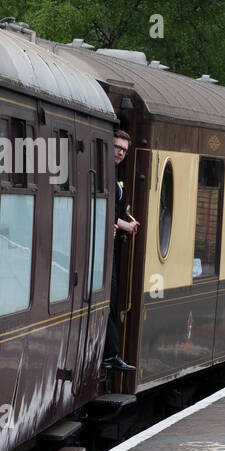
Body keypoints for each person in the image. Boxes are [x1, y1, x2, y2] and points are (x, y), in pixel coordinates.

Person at [104, 130, 138, 372]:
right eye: (117, 147)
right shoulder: (105, 172)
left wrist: (127, 225)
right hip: (102, 248)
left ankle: (111, 353)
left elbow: (111, 213)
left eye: (124, 150)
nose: (120, 152)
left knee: (113, 298)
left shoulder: (113, 175)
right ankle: (109, 354)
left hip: (110, 246)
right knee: (108, 298)